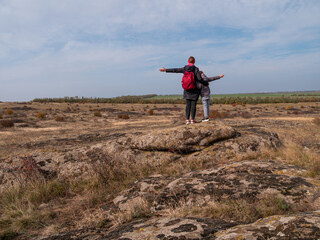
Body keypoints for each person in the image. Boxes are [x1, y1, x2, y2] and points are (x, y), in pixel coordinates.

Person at [159, 56, 208, 124]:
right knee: (193, 105)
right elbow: (199, 79)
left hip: (187, 89)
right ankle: (192, 120)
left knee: (188, 105)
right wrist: (205, 83)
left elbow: (175, 70)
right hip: (194, 89)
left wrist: (166, 70)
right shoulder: (196, 69)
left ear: (188, 61)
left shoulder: (185, 68)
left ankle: (187, 120)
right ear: (194, 61)